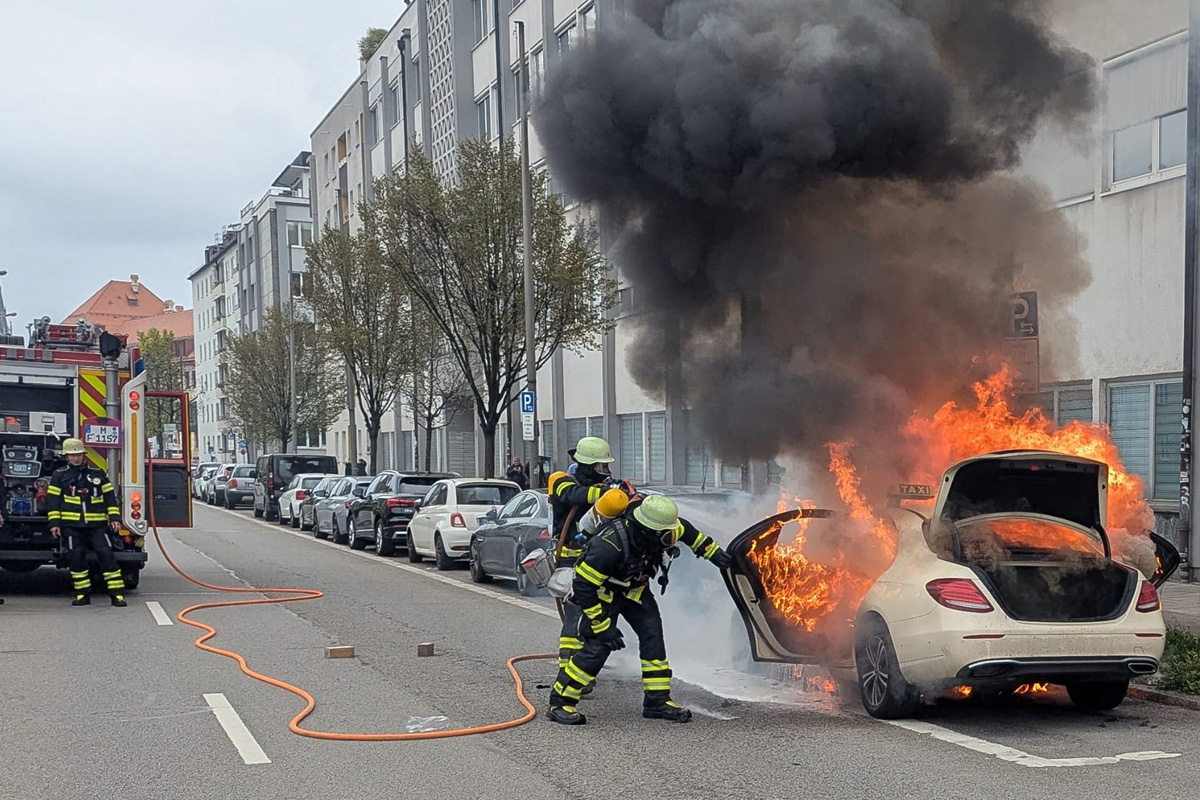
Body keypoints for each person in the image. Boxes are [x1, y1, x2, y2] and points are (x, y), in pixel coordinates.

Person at [547, 494, 733, 725]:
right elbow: (583, 587)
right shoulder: (607, 546)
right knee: (598, 647)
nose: (671, 539)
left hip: (634, 590)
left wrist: (715, 554)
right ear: (648, 530)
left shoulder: (667, 527)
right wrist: (603, 625)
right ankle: (560, 702)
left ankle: (657, 701)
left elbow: (691, 534)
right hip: (602, 594)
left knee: (652, 637)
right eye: (666, 535)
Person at [550, 437, 625, 676]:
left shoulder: (603, 488)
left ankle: (585, 664)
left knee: (595, 613)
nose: (606, 472)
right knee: (575, 612)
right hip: (570, 559)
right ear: (587, 466)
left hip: (595, 561)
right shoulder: (562, 481)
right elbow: (574, 495)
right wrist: (606, 492)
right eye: (602, 467)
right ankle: (568, 671)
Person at [46, 438, 127, 607]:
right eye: (72, 455)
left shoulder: (97, 473)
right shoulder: (59, 475)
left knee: (107, 556)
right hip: (71, 526)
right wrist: (54, 523)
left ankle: (117, 594)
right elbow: (53, 501)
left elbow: (110, 498)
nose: (76, 458)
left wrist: (114, 518)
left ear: (84, 455)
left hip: (97, 525)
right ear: (66, 457)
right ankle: (82, 594)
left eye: (78, 455)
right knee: (76, 558)